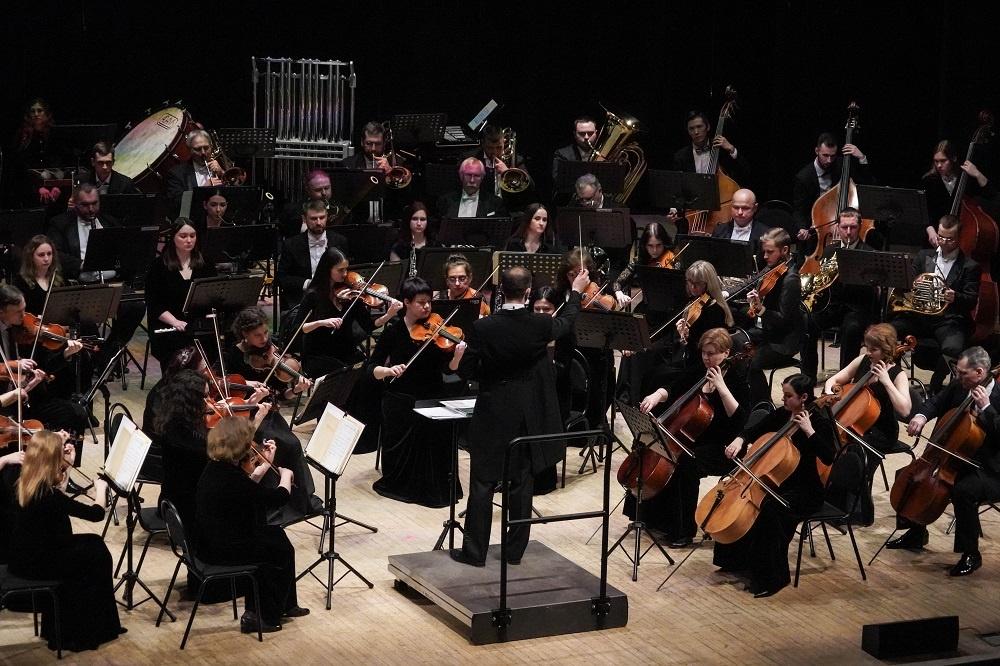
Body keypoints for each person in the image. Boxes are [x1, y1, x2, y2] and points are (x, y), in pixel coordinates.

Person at [453, 265, 589, 566]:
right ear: (528, 292)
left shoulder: (484, 327)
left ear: (501, 291)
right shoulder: (539, 325)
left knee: (482, 483)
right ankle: (513, 552)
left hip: (492, 411)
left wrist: (488, 372)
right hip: (526, 414)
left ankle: (474, 553)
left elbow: (467, 370)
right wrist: (576, 292)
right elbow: (567, 321)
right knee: (521, 483)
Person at [713, 373, 837, 597]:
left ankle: (773, 579)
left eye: (789, 396)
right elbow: (755, 430)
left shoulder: (819, 422)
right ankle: (736, 561)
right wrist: (740, 438)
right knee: (744, 504)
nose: (783, 399)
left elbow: (829, 457)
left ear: (804, 397)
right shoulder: (782, 414)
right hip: (777, 483)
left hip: (805, 491)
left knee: (769, 511)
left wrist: (809, 431)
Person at [887, 346, 1000, 577]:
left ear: (979, 372)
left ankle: (971, 554)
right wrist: (921, 416)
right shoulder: (960, 386)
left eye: (963, 373)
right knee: (907, 475)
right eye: (957, 372)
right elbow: (936, 402)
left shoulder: (997, 396)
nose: (958, 376)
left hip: (988, 468)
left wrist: (986, 408)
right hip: (954, 457)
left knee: (963, 491)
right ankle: (916, 533)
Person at [9, 430, 124, 652]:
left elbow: (59, 493)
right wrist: (101, 489)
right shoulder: (48, 497)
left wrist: (67, 466)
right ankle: (88, 631)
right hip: (39, 564)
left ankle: (97, 626)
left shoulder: (25, 482)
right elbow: (95, 514)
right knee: (96, 554)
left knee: (95, 544)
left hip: (27, 556)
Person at [633, 328, 749, 545]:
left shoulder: (737, 380)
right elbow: (675, 387)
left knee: (685, 463)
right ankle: (654, 518)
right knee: (656, 446)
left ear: (726, 353)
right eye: (704, 352)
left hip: (724, 446)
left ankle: (683, 531)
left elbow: (740, 419)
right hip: (695, 439)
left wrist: (722, 387)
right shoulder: (700, 371)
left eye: (711, 353)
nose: (706, 358)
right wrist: (656, 396)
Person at [196, 417, 308, 633]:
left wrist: (264, 465)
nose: (252, 446)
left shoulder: (217, 468)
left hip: (217, 537)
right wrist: (285, 477)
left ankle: (285, 604)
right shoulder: (229, 477)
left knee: (278, 538)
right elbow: (276, 499)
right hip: (220, 548)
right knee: (276, 550)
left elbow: (247, 493)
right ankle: (261, 616)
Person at [369, 277, 466, 507]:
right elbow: (371, 367)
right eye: (421, 303)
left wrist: (457, 356)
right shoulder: (393, 331)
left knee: (440, 433)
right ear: (406, 302)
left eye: (429, 302)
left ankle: (437, 489)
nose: (427, 307)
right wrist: (389, 370)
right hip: (401, 397)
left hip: (432, 394)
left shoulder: (437, 331)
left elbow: (448, 369)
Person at [224, 307, 320, 517]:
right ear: (244, 335)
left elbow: (281, 394)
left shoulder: (272, 350)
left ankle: (298, 499)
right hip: (248, 414)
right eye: (257, 335)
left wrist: (296, 389)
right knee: (275, 445)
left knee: (293, 444)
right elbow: (225, 385)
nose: (264, 339)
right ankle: (272, 502)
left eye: (266, 332)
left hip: (270, 411)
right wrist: (248, 385)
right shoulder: (233, 355)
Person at [824, 323, 912, 525]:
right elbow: (834, 380)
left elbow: (905, 409)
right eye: (867, 347)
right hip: (855, 424)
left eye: (874, 349)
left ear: (887, 349)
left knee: (855, 455)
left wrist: (886, 382)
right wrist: (830, 394)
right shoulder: (862, 361)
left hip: (881, 432)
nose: (868, 352)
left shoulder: (897, 374)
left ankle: (859, 512)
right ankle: (830, 500)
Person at [889, 214, 981, 393]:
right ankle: (896, 381)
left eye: (949, 239)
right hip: (920, 316)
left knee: (953, 347)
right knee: (889, 331)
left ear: (959, 238)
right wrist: (913, 284)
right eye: (940, 237)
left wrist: (956, 297)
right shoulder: (924, 256)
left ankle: (936, 386)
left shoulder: (970, 266)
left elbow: (971, 300)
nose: (943, 242)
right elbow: (907, 284)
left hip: (948, 320)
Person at [799, 208, 878, 381]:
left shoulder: (869, 253)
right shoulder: (829, 251)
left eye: (853, 227)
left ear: (860, 227)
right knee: (807, 321)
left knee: (852, 329)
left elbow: (871, 293)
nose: (848, 232)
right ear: (837, 227)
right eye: (844, 227)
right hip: (833, 307)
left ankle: (844, 379)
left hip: (857, 309)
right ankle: (807, 377)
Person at [300, 247, 398, 377]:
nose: (345, 274)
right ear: (328, 269)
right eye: (340, 270)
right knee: (348, 377)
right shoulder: (313, 296)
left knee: (369, 373)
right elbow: (299, 329)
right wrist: (321, 323)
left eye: (346, 269)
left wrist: (389, 314)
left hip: (346, 350)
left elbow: (369, 325)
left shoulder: (351, 295)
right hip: (319, 354)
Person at [742, 228, 804, 406]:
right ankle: (745, 398)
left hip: (784, 342)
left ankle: (762, 405)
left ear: (784, 250)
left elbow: (784, 320)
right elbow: (752, 284)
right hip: (767, 332)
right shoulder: (771, 268)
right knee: (735, 343)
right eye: (764, 252)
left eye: (770, 252)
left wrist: (761, 310)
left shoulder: (791, 279)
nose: (765, 256)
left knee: (751, 363)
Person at [146, 218, 218, 368]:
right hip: (169, 325)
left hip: (197, 323)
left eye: (192, 236)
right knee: (177, 348)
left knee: (215, 343)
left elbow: (213, 296)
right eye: (183, 236)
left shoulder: (206, 264)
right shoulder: (158, 266)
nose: (189, 240)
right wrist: (175, 322)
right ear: (173, 238)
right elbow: (154, 304)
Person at [792, 132, 872, 239]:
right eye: (825, 155)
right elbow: (799, 210)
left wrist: (862, 158)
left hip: (844, 222)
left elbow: (867, 183)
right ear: (817, 151)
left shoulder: (842, 165)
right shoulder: (803, 177)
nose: (829, 160)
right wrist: (802, 228)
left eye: (832, 156)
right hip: (817, 229)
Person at [276, 199, 350, 309]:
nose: (319, 223)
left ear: (327, 217)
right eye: (314, 219)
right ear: (304, 219)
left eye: (322, 217)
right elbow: (282, 278)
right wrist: (308, 284)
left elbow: (347, 271)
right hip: (302, 299)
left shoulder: (340, 241)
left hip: (334, 297)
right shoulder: (291, 245)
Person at [921, 140, 994, 248]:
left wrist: (977, 174)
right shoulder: (929, 180)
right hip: (939, 236)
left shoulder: (966, 177)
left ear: (953, 158)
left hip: (966, 233)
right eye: (936, 161)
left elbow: (990, 194)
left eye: (943, 161)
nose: (939, 165)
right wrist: (930, 230)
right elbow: (926, 213)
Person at [46, 182, 120, 282]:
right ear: (75, 203)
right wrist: (82, 264)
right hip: (79, 284)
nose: (91, 209)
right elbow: (54, 253)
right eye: (85, 205)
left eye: (94, 203)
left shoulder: (110, 222)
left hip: (114, 281)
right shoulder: (60, 224)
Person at [612, 221, 675, 309]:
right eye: (650, 246)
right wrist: (618, 292)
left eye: (658, 245)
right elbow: (618, 282)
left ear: (664, 243)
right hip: (648, 306)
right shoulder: (639, 260)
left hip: (671, 308)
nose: (654, 250)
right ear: (644, 245)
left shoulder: (672, 259)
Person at [165, 129, 223, 215]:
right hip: (194, 219)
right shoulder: (177, 173)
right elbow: (176, 204)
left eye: (206, 148)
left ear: (211, 146)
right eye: (198, 149)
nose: (203, 153)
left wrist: (222, 173)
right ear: (189, 150)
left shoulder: (221, 167)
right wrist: (202, 190)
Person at [468, 124, 533, 199]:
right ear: (483, 143)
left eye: (499, 147)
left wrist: (508, 173)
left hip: (507, 202)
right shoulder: (470, 158)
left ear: (504, 142)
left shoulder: (516, 160)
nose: (494, 152)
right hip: (482, 201)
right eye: (490, 148)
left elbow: (530, 187)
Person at [436, 157, 507, 219]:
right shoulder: (445, 201)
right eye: (468, 175)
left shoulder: (495, 203)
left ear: (482, 178)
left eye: (476, 176)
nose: (472, 180)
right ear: (461, 176)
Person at [710, 188, 770, 259]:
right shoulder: (719, 230)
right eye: (736, 207)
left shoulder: (765, 233)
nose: (740, 212)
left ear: (755, 208)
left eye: (745, 208)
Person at [278, 169, 338, 238]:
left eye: (327, 188)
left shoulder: (339, 208)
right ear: (308, 190)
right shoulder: (292, 211)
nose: (324, 193)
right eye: (318, 190)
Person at [12, 234, 63, 314]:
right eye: (41, 255)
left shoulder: (58, 279)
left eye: (49, 254)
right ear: (31, 257)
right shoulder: (21, 282)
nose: (46, 259)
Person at [389, 201, 437, 276]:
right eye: (414, 219)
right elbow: (394, 277)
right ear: (408, 220)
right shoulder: (399, 248)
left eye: (423, 219)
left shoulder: (435, 245)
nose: (419, 223)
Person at [437, 253, 490, 317]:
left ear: (470, 278)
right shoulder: (439, 297)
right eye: (452, 279)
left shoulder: (476, 297)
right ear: (447, 280)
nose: (457, 283)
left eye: (462, 278)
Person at [551, 115, 598, 181]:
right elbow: (559, 180)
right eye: (582, 133)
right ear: (575, 134)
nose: (586, 137)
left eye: (590, 133)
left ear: (596, 133)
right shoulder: (562, 154)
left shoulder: (604, 153)